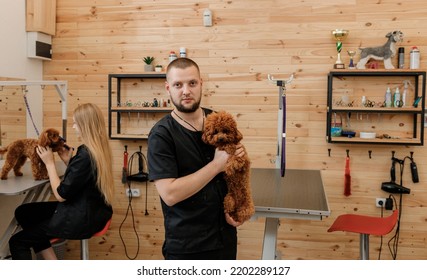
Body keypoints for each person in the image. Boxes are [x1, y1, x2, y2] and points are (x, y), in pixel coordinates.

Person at [147, 58, 247, 260]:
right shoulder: (161, 135)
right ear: (168, 88)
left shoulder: (218, 120)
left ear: (201, 83)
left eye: (192, 83)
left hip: (224, 238)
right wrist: (216, 165)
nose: (186, 91)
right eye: (178, 85)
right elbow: (170, 194)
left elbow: (233, 173)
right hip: (187, 247)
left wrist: (237, 207)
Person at [8, 103, 114, 260]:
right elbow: (82, 179)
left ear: (85, 126)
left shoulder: (85, 156)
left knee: (17, 242)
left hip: (82, 216)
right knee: (24, 212)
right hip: (93, 210)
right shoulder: (95, 149)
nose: (73, 127)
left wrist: (49, 163)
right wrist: (69, 161)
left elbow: (61, 195)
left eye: (75, 123)